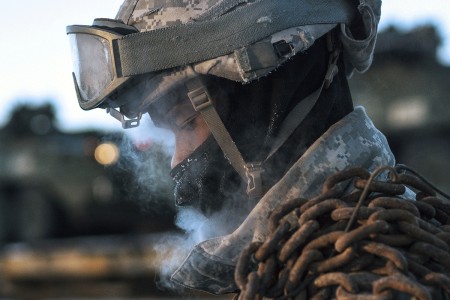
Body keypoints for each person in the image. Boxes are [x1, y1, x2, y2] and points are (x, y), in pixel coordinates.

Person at [67, 0, 388, 295]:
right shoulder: (292, 268)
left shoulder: (376, 277)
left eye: (186, 121)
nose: (178, 168)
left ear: (270, 93)